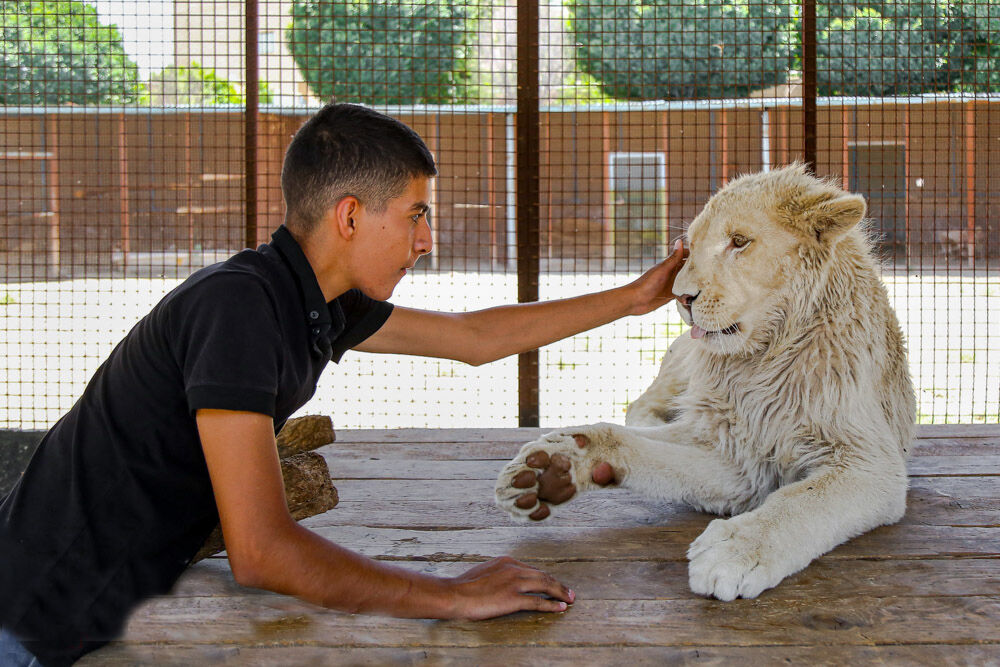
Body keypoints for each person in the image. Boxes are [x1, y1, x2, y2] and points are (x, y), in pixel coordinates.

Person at [0, 102, 687, 666]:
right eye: (415, 213)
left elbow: (474, 338)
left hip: (102, 614)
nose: (427, 239)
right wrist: (452, 594)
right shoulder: (236, 309)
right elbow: (263, 550)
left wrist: (633, 298)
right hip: (28, 626)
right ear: (351, 216)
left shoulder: (314, 300)